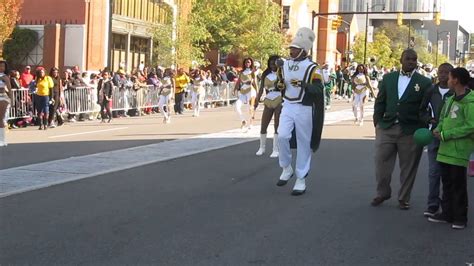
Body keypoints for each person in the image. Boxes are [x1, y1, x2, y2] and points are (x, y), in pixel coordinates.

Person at [371, 49, 432, 209]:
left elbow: (425, 107)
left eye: (414, 59)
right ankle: (382, 192)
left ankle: (404, 198)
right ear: (401, 59)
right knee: (381, 162)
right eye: (408, 59)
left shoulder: (424, 82)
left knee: (409, 166)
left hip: (410, 130)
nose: (411, 61)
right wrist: (377, 121)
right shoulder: (388, 78)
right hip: (387, 127)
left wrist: (423, 127)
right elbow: (380, 101)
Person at [276, 27, 325, 196]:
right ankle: (286, 167)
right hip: (288, 105)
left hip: (304, 107)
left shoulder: (313, 68)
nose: (291, 51)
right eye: (291, 48)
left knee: (304, 142)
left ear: (303, 51)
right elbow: (281, 82)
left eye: (294, 49)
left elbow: (319, 90)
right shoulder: (285, 64)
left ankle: (301, 178)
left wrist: (304, 85)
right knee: (281, 135)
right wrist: (280, 85)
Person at [428, 67, 474, 230]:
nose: (446, 80)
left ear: (455, 80)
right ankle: (447, 213)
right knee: (446, 183)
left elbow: (470, 126)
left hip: (459, 150)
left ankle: (460, 217)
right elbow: (443, 118)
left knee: (458, 185)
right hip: (445, 150)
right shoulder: (450, 100)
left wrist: (447, 134)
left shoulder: (471, 101)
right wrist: (438, 129)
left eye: (449, 78)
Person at [422, 63, 454, 218]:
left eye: (446, 72)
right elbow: (421, 110)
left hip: (450, 138)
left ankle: (448, 205)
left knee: (449, 174)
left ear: (451, 75)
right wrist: (429, 119)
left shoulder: (456, 92)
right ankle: (432, 204)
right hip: (433, 136)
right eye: (441, 72)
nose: (443, 75)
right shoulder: (431, 91)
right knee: (434, 172)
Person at [254, 55, 282, 158]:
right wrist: (257, 100)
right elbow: (261, 88)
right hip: (268, 98)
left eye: (274, 63)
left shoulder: (282, 74)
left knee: (277, 125)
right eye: (271, 63)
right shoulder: (265, 74)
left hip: (279, 98)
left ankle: (275, 149)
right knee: (264, 124)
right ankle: (262, 147)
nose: (272, 65)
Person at [233, 58, 258, 129]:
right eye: (246, 62)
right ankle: (243, 120)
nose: (247, 63)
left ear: (251, 63)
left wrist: (258, 93)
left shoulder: (252, 72)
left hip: (251, 90)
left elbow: (255, 83)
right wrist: (234, 89)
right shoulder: (241, 72)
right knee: (237, 106)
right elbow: (238, 81)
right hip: (243, 90)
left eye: (249, 62)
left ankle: (251, 123)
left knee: (250, 107)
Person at [0, 60, 12, 146]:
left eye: (3, 66)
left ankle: (2, 140)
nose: (1, 68)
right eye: (0, 66)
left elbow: (10, 90)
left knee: (0, 119)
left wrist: (11, 100)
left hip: (2, 97)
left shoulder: (5, 77)